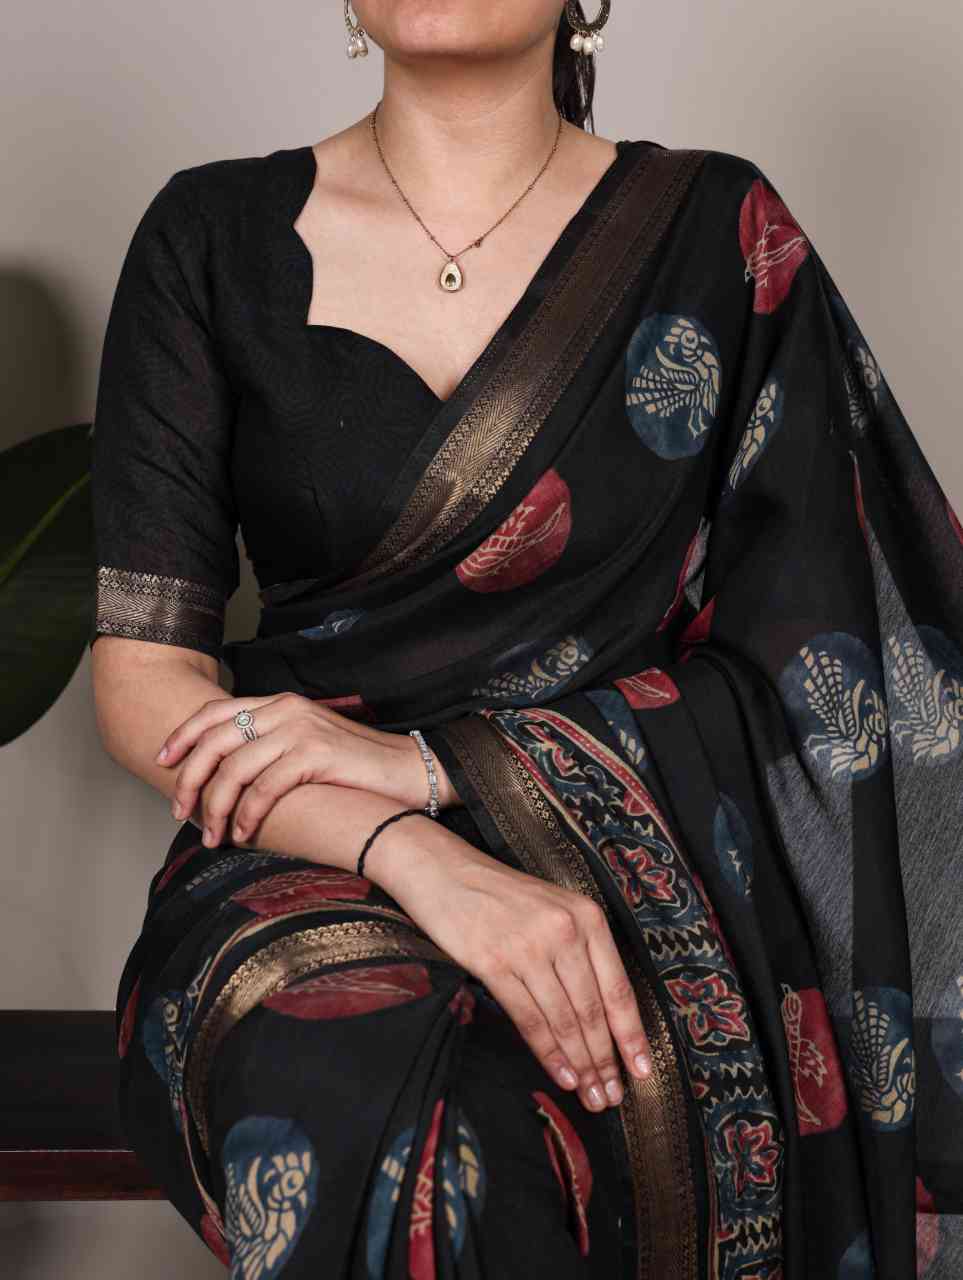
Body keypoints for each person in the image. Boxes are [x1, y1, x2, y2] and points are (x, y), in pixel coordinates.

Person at [88, 2, 962, 1276]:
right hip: (304, 851)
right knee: (381, 1098)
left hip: (646, 865)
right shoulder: (211, 236)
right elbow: (144, 680)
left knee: (591, 1097)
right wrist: (409, 846)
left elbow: (826, 666)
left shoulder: (716, 235)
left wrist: (437, 765)